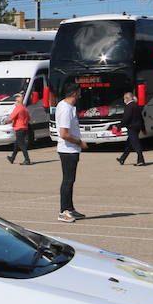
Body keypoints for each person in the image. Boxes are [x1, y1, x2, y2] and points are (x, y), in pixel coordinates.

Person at [55, 85, 87, 222]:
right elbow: (64, 134)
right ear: (74, 93)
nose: (81, 95)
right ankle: (63, 211)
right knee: (67, 181)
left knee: (71, 180)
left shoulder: (68, 107)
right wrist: (79, 142)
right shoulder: (65, 109)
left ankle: (70, 208)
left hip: (71, 150)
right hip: (67, 150)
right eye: (79, 92)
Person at [116, 91, 146, 166]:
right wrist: (143, 128)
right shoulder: (136, 105)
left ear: (127, 98)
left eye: (124, 98)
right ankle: (122, 158)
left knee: (135, 144)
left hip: (132, 127)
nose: (124, 100)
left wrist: (119, 126)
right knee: (129, 144)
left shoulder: (129, 106)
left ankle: (141, 160)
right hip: (137, 127)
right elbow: (141, 118)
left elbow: (126, 118)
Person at [6, 92, 32, 165]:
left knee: (21, 144)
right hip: (24, 128)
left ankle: (27, 159)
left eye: (16, 101)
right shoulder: (25, 109)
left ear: (18, 102)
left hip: (19, 128)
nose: (15, 103)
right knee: (17, 144)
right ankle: (12, 158)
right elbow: (29, 118)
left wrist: (5, 122)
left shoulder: (18, 108)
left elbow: (11, 117)